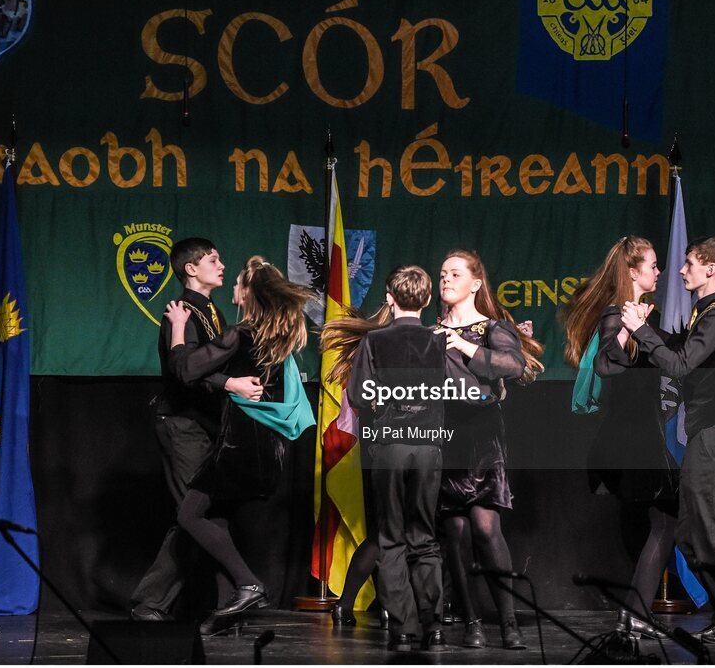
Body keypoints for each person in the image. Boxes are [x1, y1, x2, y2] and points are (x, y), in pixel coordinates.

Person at [620, 236, 715, 644]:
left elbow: (680, 364)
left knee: (708, 530)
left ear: (711, 269)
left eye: (689, 263)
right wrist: (644, 327)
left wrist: (641, 332)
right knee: (687, 534)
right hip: (705, 433)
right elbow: (677, 345)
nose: (680, 271)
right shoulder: (704, 313)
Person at [165, 256, 314, 634]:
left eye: (238, 284)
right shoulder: (278, 339)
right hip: (269, 448)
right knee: (215, 519)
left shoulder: (241, 333)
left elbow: (185, 370)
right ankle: (225, 616)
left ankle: (249, 584)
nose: (232, 288)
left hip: (239, 446)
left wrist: (179, 329)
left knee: (190, 516)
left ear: (247, 293)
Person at [130, 238, 262, 622]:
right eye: (213, 260)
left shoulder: (214, 313)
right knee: (196, 514)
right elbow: (185, 373)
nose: (222, 265)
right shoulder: (182, 311)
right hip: (182, 424)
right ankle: (154, 604)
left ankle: (226, 605)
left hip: (205, 426)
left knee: (204, 515)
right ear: (191, 268)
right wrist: (230, 385)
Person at [327, 265, 448, 652]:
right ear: (428, 300)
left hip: (391, 444)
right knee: (425, 537)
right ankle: (434, 625)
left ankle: (403, 628)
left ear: (390, 299)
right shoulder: (439, 341)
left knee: (391, 537)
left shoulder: (374, 342)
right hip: (429, 445)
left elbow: (360, 396)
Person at [563, 236, 679, 638]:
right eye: (653, 264)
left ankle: (634, 614)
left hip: (633, 433)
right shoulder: (619, 313)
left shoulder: (635, 312)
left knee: (649, 525)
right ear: (633, 271)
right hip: (635, 438)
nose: (659, 271)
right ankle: (635, 616)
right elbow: (607, 364)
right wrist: (631, 330)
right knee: (666, 522)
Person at [433, 249, 544, 650]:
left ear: (476, 283)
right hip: (443, 437)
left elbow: (512, 367)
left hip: (481, 437)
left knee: (484, 525)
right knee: (455, 531)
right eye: (443, 273)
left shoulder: (491, 327)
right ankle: (472, 621)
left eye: (455, 273)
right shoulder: (430, 331)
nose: (445, 279)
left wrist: (460, 344)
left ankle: (509, 622)